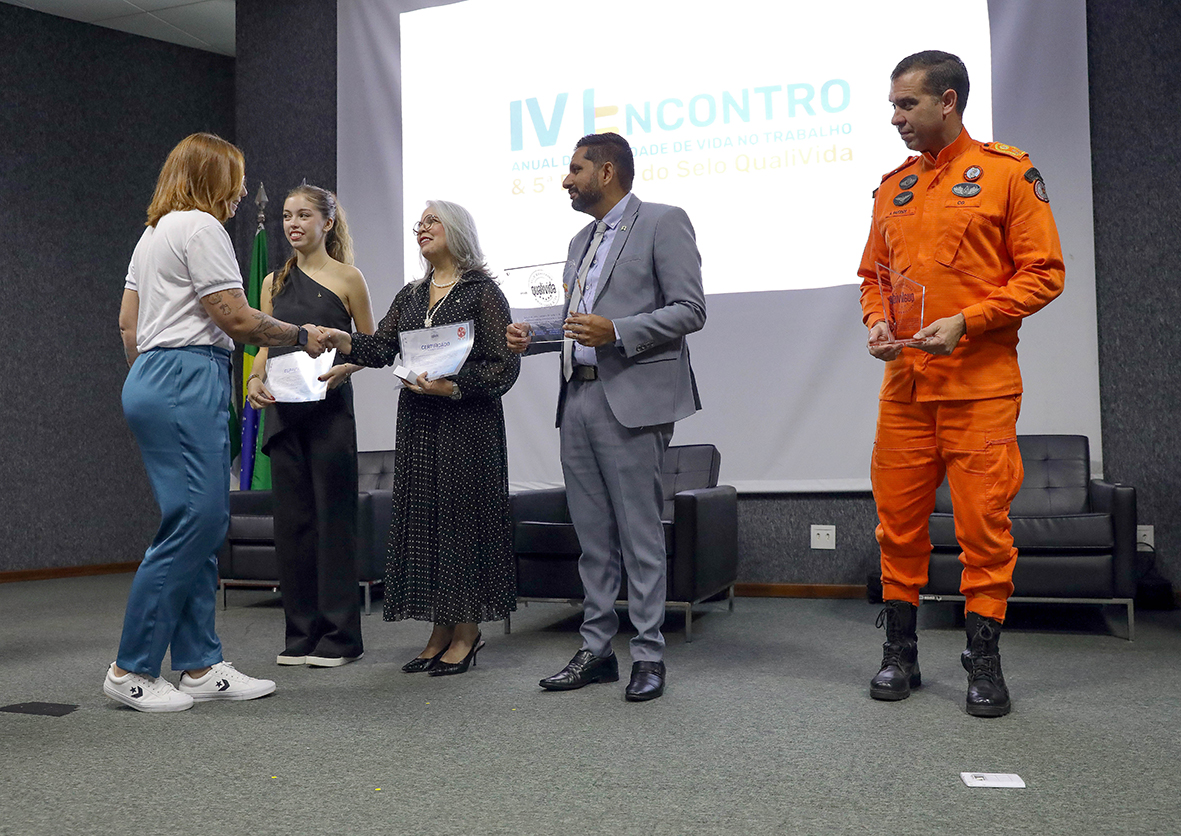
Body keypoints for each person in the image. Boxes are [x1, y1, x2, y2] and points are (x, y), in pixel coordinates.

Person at [859, 51, 1065, 717]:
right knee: (897, 528)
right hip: (905, 390)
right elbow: (873, 277)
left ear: (947, 101)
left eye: (906, 105)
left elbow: (1043, 273)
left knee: (983, 529)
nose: (895, 118)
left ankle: (983, 659)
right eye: (892, 105)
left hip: (978, 386)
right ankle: (899, 653)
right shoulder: (892, 187)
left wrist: (968, 322)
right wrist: (876, 325)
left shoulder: (1007, 172)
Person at [109, 133, 328, 713]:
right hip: (186, 374)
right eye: (233, 181)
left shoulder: (151, 234)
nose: (236, 197)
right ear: (211, 179)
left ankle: (199, 664)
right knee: (195, 521)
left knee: (199, 526)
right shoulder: (201, 229)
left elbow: (128, 324)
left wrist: (153, 376)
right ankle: (130, 669)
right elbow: (234, 316)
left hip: (154, 376)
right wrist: (304, 336)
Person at [506, 133, 706, 702]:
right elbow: (577, 320)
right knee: (593, 538)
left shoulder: (664, 222)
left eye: (575, 170)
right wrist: (535, 335)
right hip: (579, 398)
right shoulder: (579, 240)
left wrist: (619, 331)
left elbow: (691, 309)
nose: (566, 180)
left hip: (633, 399)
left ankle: (647, 655)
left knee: (640, 535)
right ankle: (596, 650)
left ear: (608, 170)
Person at [323, 200, 520, 676]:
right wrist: (339, 337)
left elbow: (504, 365)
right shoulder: (411, 295)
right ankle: (439, 629)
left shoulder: (482, 292)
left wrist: (452, 385)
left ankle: (467, 632)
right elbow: (380, 346)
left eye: (432, 221)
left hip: (465, 424)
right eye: (419, 224)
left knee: (460, 522)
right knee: (426, 520)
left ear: (456, 230)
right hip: (418, 423)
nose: (421, 229)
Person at [246, 184, 375, 667]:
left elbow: (370, 345)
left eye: (303, 215)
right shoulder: (272, 283)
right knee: (293, 526)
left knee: (332, 524)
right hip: (283, 414)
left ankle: (340, 637)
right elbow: (263, 344)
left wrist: (348, 366)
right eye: (286, 216)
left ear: (327, 222)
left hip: (329, 414)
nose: (293, 224)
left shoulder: (349, 278)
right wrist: (255, 379)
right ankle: (300, 634)